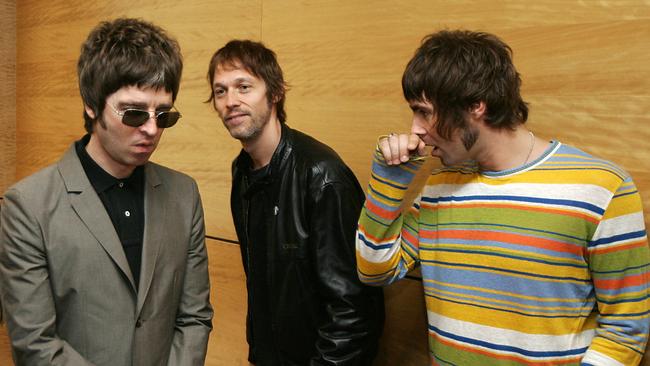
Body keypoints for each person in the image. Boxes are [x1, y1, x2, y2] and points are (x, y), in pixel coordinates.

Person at [356, 29, 650, 365]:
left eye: (424, 111)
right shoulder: (439, 186)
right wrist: (389, 180)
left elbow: (625, 329)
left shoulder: (602, 188)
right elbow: (375, 271)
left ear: (476, 105)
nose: (416, 129)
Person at [0, 18, 213, 366]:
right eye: (133, 113)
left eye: (163, 116)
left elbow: (194, 317)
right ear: (91, 103)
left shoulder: (184, 195)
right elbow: (35, 344)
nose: (150, 129)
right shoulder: (28, 206)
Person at [207, 40, 384, 365]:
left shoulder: (321, 175)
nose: (230, 101)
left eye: (243, 87)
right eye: (220, 91)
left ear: (274, 93)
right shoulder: (242, 171)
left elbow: (355, 312)